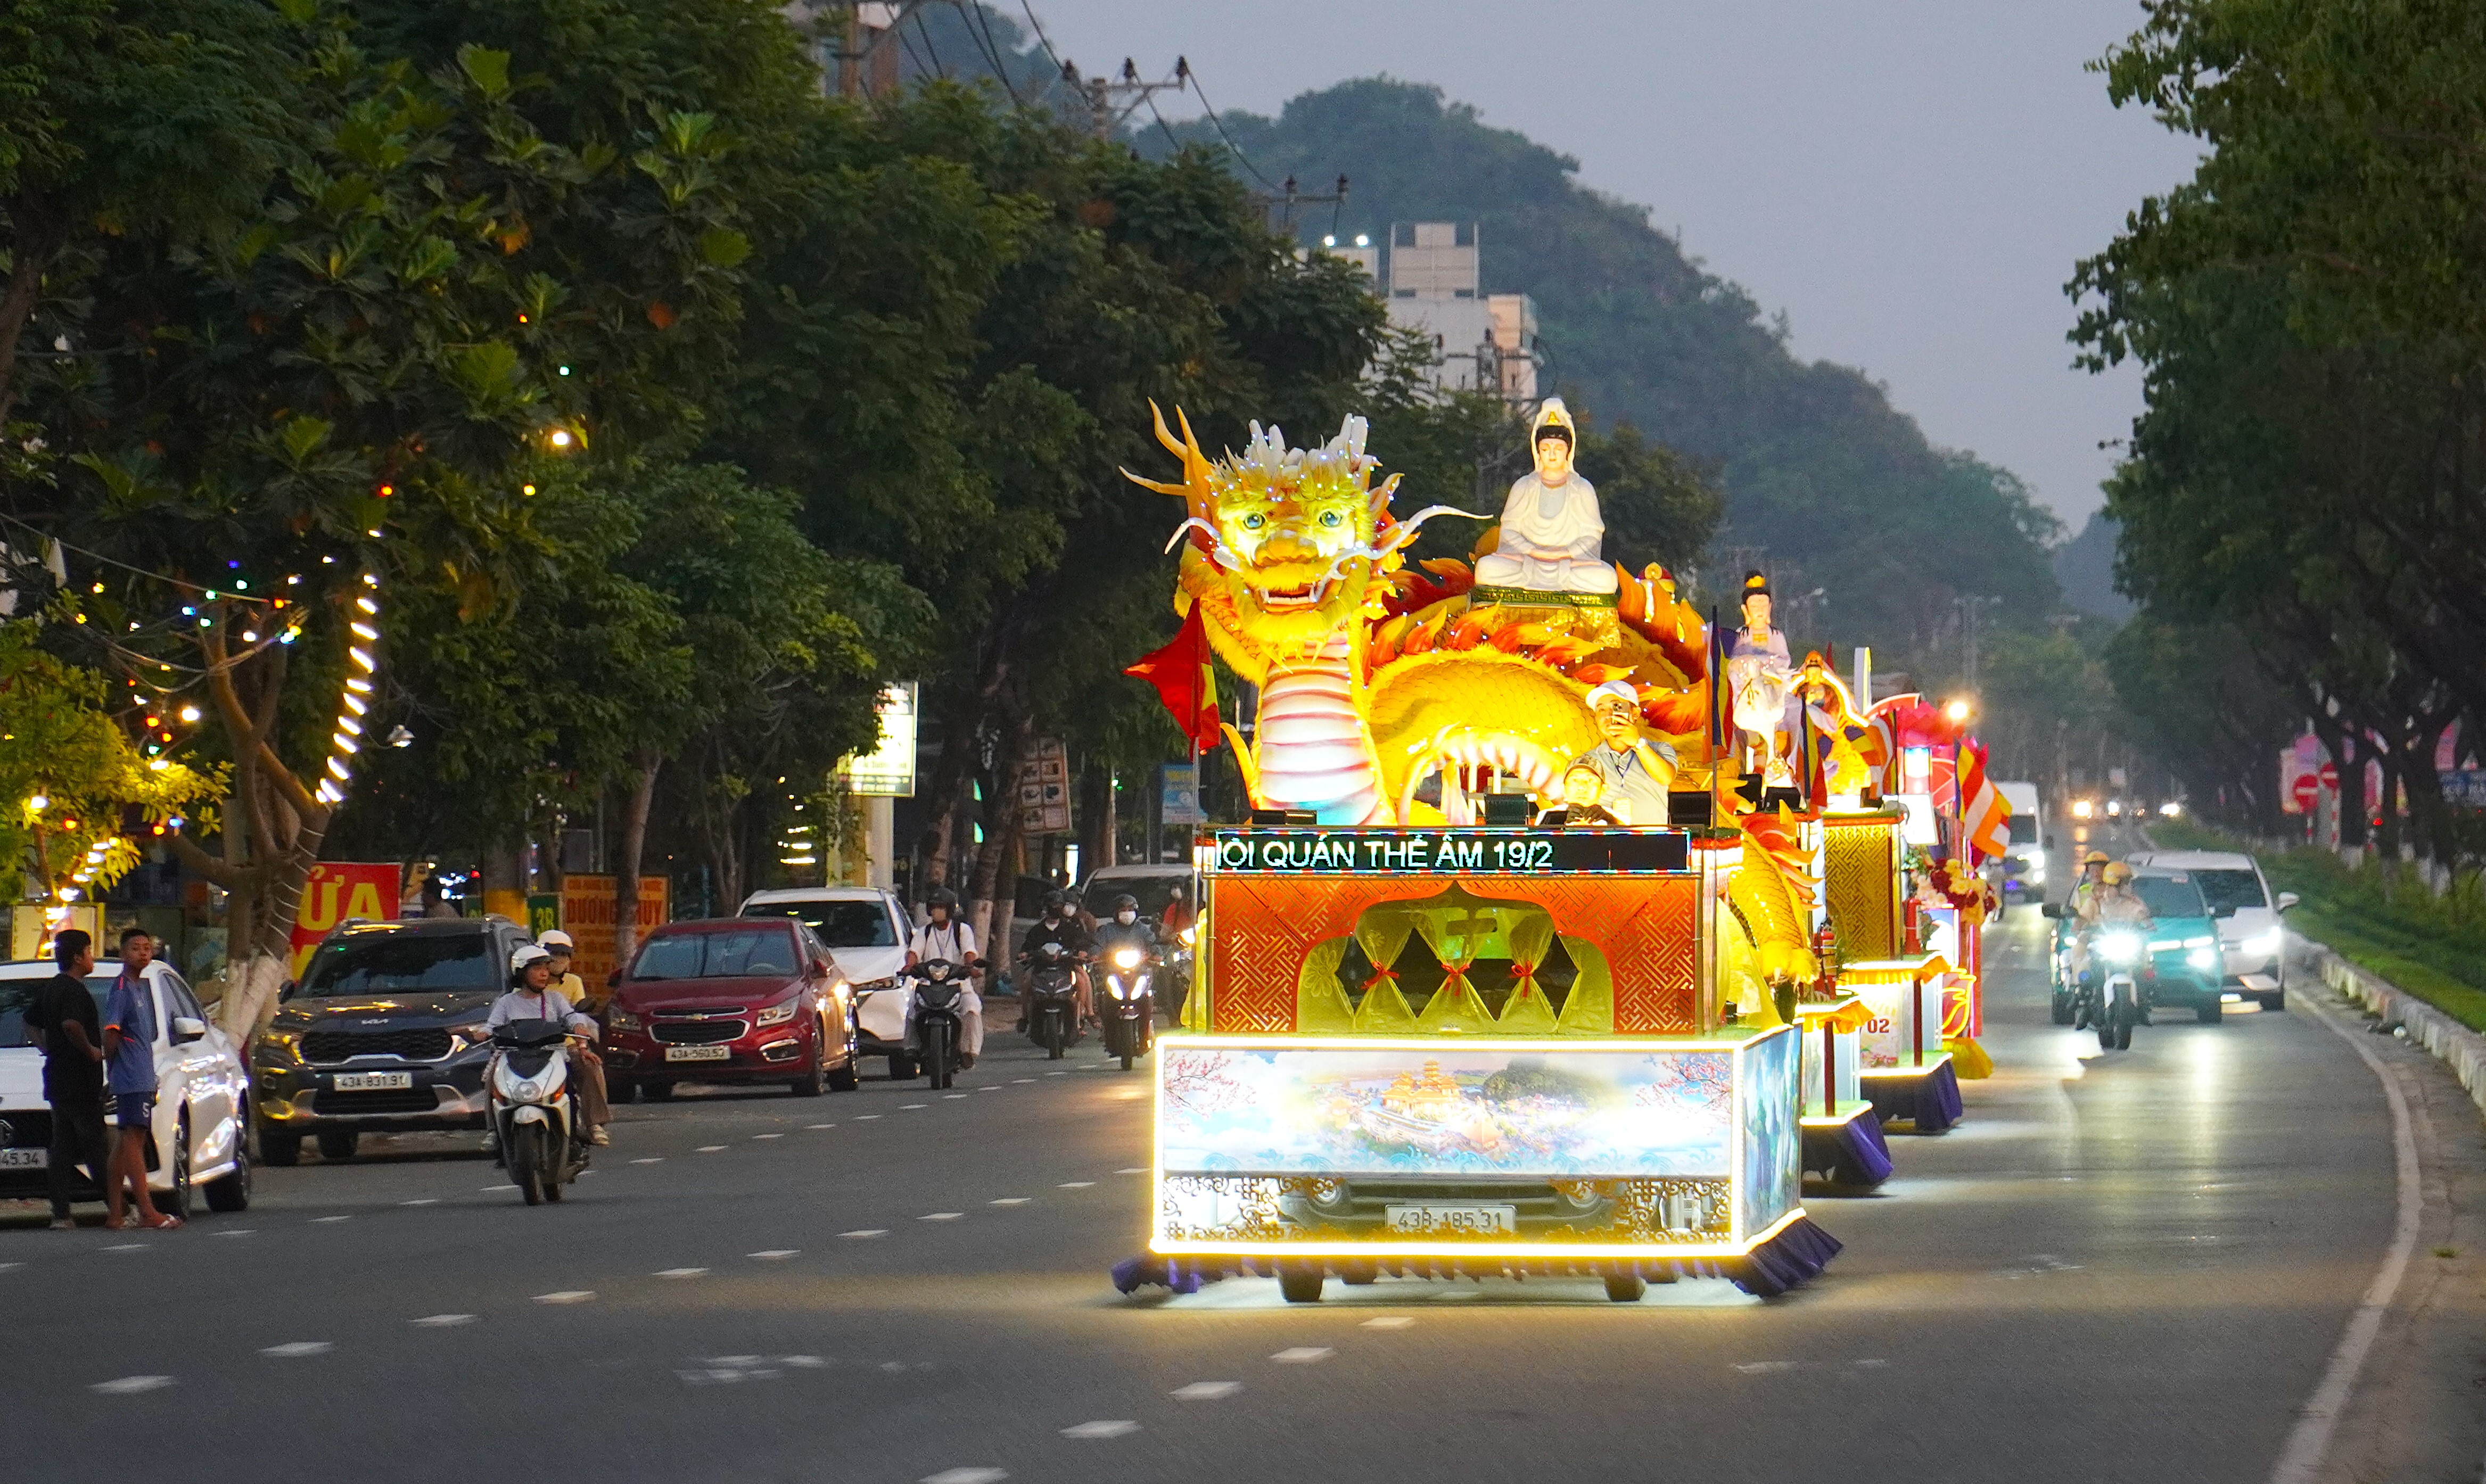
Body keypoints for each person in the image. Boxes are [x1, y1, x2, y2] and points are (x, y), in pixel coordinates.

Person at [1474, 398, 1617, 595]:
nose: (1552, 455)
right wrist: (1532, 551)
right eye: (1545, 449)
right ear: (1538, 451)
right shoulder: (1524, 486)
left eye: (1558, 449)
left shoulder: (1582, 489)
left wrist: (1564, 553)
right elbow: (1509, 530)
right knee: (1486, 569)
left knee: (1606, 578)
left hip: (1568, 564)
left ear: (1569, 451)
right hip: (1526, 561)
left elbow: (1592, 535)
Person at [483, 944, 609, 1149]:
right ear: (521, 972)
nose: (544, 974)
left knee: (589, 1064)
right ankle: (494, 1131)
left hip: (554, 1054)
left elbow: (571, 1016)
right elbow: (491, 1026)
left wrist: (579, 1028)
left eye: (546, 968)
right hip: (515, 1056)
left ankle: (593, 1124)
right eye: (537, 969)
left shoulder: (555, 999)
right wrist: (482, 1033)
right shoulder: (506, 1002)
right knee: (493, 1075)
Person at [24, 929, 109, 1231]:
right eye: (89, 952)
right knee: (95, 1144)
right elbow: (71, 1024)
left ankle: (61, 1212)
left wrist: (47, 1048)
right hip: (79, 1081)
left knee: (62, 1147)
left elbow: (29, 1021)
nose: (92, 958)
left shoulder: (52, 988)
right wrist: (91, 1051)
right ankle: (118, 1207)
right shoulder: (73, 991)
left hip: (58, 1079)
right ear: (77, 957)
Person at [100, 929, 175, 1229]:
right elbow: (111, 1033)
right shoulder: (121, 988)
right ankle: (147, 1211)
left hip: (142, 1075)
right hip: (131, 1076)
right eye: (135, 948)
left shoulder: (141, 987)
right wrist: (113, 1068)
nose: (143, 953)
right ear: (123, 954)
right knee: (134, 1139)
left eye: (147, 947)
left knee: (124, 1143)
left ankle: (116, 1214)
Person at [1567, 679, 1676, 825]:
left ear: (1635, 713)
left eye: (1617, 707)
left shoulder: (1660, 749)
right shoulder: (1587, 761)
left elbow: (1665, 777)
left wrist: (1638, 743)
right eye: (1601, 710)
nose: (1609, 715)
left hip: (1652, 838)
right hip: (1606, 838)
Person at [1724, 572, 1797, 787]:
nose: (1759, 610)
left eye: (1763, 606)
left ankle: (1783, 759)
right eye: (1754, 606)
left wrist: (1765, 663)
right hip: (1746, 682)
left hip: (1770, 681)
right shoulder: (1741, 634)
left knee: (1792, 707)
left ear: (1770, 608)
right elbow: (1732, 661)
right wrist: (1745, 663)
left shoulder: (1776, 635)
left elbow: (1784, 659)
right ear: (1745, 610)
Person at [908, 888, 983, 1068]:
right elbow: (914, 952)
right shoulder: (924, 932)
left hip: (958, 985)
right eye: (934, 907)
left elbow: (969, 952)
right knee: (911, 1008)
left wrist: (970, 967)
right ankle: (912, 1046)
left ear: (949, 909)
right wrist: (908, 967)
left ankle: (968, 1051)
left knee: (972, 1008)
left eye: (941, 907)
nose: (937, 911)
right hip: (929, 985)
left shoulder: (962, 930)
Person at [1017, 890, 1092, 1034]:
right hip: (1041, 968)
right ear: (1046, 908)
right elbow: (1027, 947)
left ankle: (1082, 1015)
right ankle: (1025, 1017)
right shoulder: (1036, 931)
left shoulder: (1070, 929)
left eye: (1058, 905)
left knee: (1082, 980)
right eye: (1052, 905)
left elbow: (1081, 943)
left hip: (1066, 967)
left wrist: (1082, 952)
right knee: (1026, 982)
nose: (1055, 909)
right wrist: (1025, 954)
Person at [1091, 894, 1156, 1030]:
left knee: (1148, 994)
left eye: (1130, 910)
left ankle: (1146, 1028)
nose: (1127, 913)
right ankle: (1107, 1028)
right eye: (1123, 910)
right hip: (1113, 972)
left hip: (1139, 971)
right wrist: (1094, 955)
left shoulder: (1142, 929)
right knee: (1103, 993)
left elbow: (1153, 943)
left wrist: (1156, 954)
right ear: (1116, 913)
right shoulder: (1108, 930)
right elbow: (1097, 945)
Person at [1537, 760, 1626, 828]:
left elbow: (1629, 842)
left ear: (1603, 789)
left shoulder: (1615, 817)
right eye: (1575, 780)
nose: (1582, 787)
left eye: (1590, 780)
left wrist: (1611, 821)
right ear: (1563, 789)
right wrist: (1560, 820)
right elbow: (1538, 842)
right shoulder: (1548, 814)